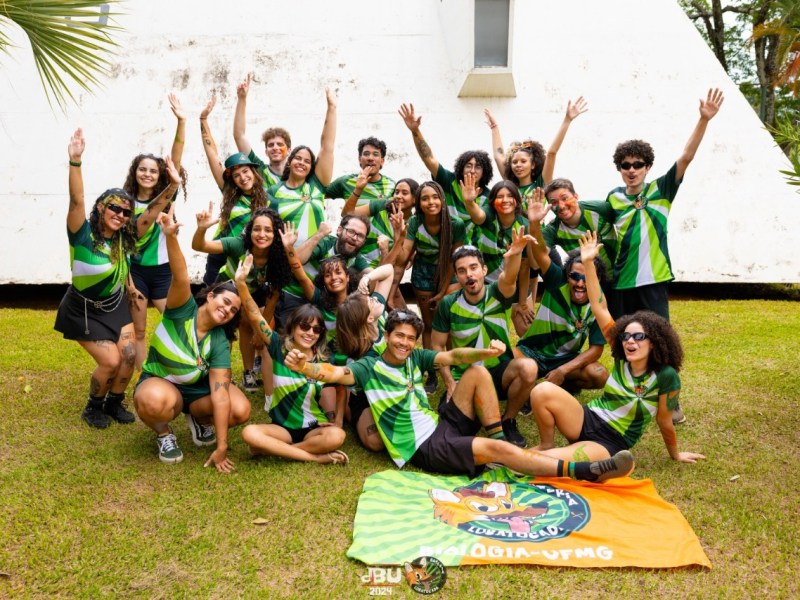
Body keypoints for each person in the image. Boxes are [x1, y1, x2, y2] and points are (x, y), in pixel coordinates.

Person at [284, 310, 634, 483]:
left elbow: (452, 358)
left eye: (410, 338)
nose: (405, 343)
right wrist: (306, 369)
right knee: (498, 451)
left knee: (478, 373)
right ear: (387, 335)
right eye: (399, 336)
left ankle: (501, 443)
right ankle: (582, 470)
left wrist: (485, 353)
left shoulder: (416, 357)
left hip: (440, 427)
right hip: (424, 448)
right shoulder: (368, 368)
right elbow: (333, 373)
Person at [529, 231, 705, 468]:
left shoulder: (666, 376)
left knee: (545, 463)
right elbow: (599, 307)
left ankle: (590, 463)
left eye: (639, 337)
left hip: (610, 440)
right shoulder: (622, 354)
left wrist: (675, 454)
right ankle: (548, 444)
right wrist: (589, 264)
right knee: (542, 391)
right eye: (627, 336)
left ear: (654, 342)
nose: (630, 342)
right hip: (587, 418)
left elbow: (664, 420)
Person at [55, 129, 180, 429]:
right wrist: (75, 162)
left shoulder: (125, 237)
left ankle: (114, 402)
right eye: (114, 208)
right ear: (101, 207)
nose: (120, 215)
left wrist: (174, 184)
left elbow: (150, 212)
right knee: (110, 362)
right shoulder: (82, 235)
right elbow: (76, 200)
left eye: (125, 211)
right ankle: (93, 406)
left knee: (127, 357)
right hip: (83, 308)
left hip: (114, 305)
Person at [133, 205, 251, 470]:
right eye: (225, 302)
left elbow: (220, 394)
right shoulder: (181, 309)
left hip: (198, 391)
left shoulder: (219, 339)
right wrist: (171, 237)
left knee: (239, 409)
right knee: (154, 402)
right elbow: (181, 275)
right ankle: (164, 434)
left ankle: (199, 419)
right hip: (162, 382)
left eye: (233, 310)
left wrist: (222, 445)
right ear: (210, 296)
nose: (228, 310)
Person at [602, 87, 724, 322]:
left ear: (647, 167)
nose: (632, 170)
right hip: (620, 281)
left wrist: (703, 119)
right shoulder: (613, 197)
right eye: (625, 165)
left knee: (659, 340)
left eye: (638, 164)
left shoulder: (661, 189)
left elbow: (686, 156)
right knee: (622, 340)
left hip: (654, 279)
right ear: (619, 168)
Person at [233, 256, 348, 465]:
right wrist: (241, 284)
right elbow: (253, 316)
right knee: (249, 433)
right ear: (293, 327)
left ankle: (277, 450)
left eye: (316, 329)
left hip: (313, 427)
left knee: (337, 436)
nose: (310, 333)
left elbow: (341, 387)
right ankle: (315, 458)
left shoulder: (324, 357)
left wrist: (338, 420)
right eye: (304, 326)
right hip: (282, 428)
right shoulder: (278, 346)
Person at [432, 237, 537, 448]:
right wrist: (450, 382)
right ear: (457, 276)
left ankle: (508, 420)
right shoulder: (448, 304)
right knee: (454, 427)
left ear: (484, 270)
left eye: (473, 268)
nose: (469, 274)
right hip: (466, 376)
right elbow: (436, 346)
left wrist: (514, 254)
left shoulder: (498, 293)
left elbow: (509, 278)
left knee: (528, 367)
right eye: (462, 271)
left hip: (499, 372)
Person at [517, 190, 610, 393]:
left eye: (586, 279)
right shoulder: (556, 280)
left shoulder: (598, 302)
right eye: (575, 277)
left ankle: (561, 382)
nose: (579, 284)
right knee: (504, 367)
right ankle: (529, 383)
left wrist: (563, 370)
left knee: (599, 374)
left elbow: (596, 349)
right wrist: (534, 224)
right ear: (566, 275)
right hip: (531, 351)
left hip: (565, 358)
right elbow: (541, 253)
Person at [192, 205, 292, 392]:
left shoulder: (278, 256)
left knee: (248, 325)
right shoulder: (238, 244)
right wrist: (202, 228)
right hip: (227, 288)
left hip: (251, 292)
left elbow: (273, 298)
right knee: (222, 329)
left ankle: (248, 373)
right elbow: (199, 246)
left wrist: (261, 331)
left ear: (275, 234)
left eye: (268, 230)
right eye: (257, 229)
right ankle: (215, 372)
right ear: (250, 231)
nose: (262, 234)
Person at [125, 93, 188, 370]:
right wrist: (127, 282)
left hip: (163, 271)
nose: (148, 174)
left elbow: (175, 159)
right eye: (143, 169)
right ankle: (141, 379)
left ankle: (182, 365)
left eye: (153, 170)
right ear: (135, 172)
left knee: (175, 321)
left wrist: (181, 122)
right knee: (139, 331)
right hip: (136, 271)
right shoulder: (124, 203)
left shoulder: (166, 196)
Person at [198, 94, 270, 286]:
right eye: (236, 175)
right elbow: (212, 155)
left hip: (251, 256)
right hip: (221, 253)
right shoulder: (230, 193)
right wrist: (203, 120)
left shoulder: (269, 198)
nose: (242, 178)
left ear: (254, 172)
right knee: (213, 298)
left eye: (245, 172)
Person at [398, 103, 493, 232]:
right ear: (461, 168)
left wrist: (470, 202)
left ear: (484, 172)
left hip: (470, 249)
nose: (472, 170)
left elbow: (480, 219)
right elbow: (429, 159)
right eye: (468, 166)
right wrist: (415, 131)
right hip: (443, 242)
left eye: (477, 167)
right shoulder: (449, 181)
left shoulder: (488, 196)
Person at [484, 97, 587, 211]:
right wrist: (494, 127)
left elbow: (552, 153)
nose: (518, 165)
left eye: (523, 161)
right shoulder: (510, 185)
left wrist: (567, 120)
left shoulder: (541, 184)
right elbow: (499, 156)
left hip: (536, 229)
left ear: (533, 164)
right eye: (514, 162)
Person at [396, 181, 464, 352]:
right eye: (425, 199)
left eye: (435, 197)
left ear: (442, 199)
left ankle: (452, 363)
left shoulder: (455, 224)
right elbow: (402, 258)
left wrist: (442, 291)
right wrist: (399, 233)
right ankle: (431, 370)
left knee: (449, 320)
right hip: (423, 273)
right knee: (429, 323)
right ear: (418, 203)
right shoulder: (415, 222)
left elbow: (453, 260)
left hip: (449, 273)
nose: (431, 202)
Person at [462, 176, 532, 336]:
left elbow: (526, 266)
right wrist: (469, 202)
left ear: (517, 200)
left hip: (515, 283)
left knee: (527, 330)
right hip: (487, 283)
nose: (505, 200)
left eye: (509, 196)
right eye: (500, 196)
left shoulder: (524, 226)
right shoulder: (489, 216)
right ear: (493, 201)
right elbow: (478, 216)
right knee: (488, 330)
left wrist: (522, 302)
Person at [277, 214, 371, 327]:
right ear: (340, 230)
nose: (355, 238)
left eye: (360, 236)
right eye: (351, 231)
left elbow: (376, 275)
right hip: (294, 295)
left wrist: (367, 278)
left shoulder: (356, 257)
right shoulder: (326, 243)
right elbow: (298, 260)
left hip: (320, 302)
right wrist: (319, 234)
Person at [342, 177, 418, 309]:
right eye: (396, 192)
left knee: (400, 312)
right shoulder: (382, 206)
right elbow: (347, 214)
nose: (398, 196)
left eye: (404, 193)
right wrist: (358, 189)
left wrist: (399, 235)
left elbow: (401, 261)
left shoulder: (414, 224)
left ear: (414, 199)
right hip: (361, 266)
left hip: (386, 272)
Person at [327, 136, 396, 267]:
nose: (370, 158)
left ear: (382, 161)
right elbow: (319, 194)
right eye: (366, 154)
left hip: (379, 254)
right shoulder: (345, 182)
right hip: (350, 253)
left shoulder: (392, 186)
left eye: (376, 154)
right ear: (360, 160)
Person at [232, 73, 292, 188]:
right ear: (266, 151)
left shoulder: (299, 175)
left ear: (289, 150)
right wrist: (242, 99)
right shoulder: (259, 170)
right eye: (270, 145)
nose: (275, 147)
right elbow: (239, 136)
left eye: (280, 144)